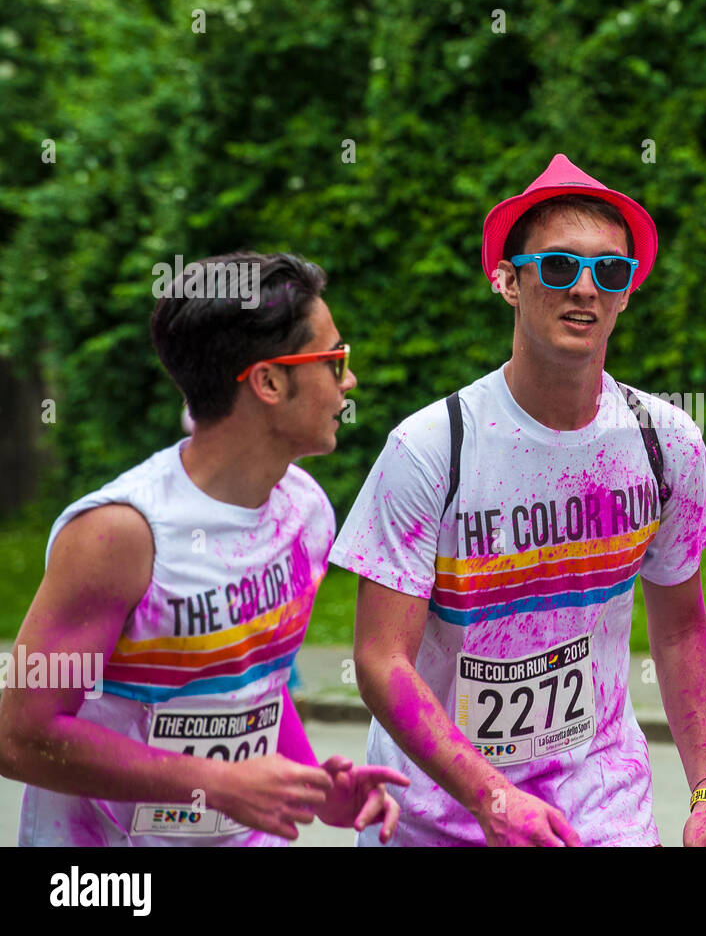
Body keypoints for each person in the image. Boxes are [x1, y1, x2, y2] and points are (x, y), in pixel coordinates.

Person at [331, 154, 706, 846]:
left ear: (628, 292)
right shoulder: (431, 448)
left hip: (602, 804)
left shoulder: (664, 442)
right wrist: (491, 796)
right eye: (557, 267)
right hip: (439, 816)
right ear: (508, 281)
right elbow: (380, 659)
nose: (584, 288)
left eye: (610, 271)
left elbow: (680, 631)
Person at [0, 251, 407, 846]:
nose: (349, 382)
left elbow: (256, 680)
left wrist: (314, 787)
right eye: (334, 359)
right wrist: (213, 782)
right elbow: (20, 737)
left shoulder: (306, 510)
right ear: (269, 381)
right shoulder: (120, 535)